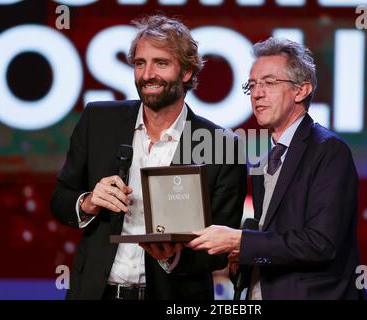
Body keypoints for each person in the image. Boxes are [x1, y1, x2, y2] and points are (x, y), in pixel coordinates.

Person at [50, 15, 247, 300]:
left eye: (161, 63)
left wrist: (172, 258)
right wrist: (89, 201)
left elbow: (220, 247)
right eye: (140, 63)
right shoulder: (99, 120)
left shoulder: (222, 145)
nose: (147, 74)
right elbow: (59, 200)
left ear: (187, 72)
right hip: (96, 292)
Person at [186, 37, 366, 300]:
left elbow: (321, 244)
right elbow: (276, 239)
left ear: (301, 90)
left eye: (269, 83)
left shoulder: (328, 150)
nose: (257, 93)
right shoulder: (265, 159)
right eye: (252, 85)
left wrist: (240, 241)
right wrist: (243, 260)